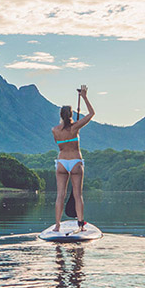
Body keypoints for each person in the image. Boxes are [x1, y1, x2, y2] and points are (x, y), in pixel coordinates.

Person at [51, 85, 95, 232]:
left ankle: (57, 226)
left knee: (60, 195)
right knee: (77, 195)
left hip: (62, 163)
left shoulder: (55, 130)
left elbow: (60, 145)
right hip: (75, 162)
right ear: (71, 114)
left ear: (60, 115)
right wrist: (84, 97)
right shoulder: (75, 127)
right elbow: (91, 113)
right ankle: (81, 225)